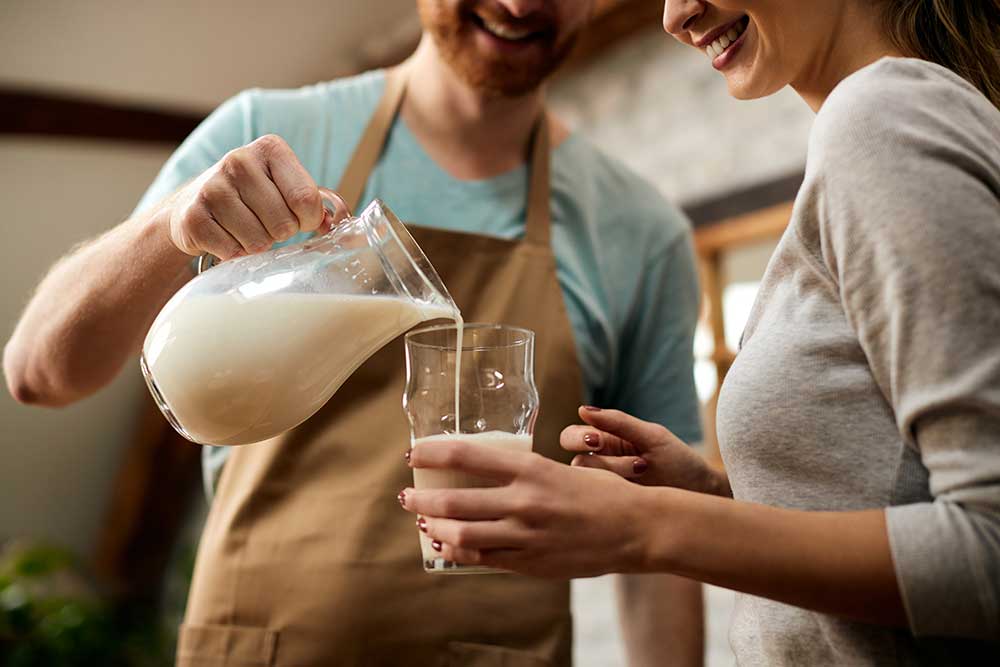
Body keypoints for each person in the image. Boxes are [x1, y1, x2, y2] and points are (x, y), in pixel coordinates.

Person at [2, 1, 708, 665]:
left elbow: (656, 534)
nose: (522, 4)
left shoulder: (640, 233)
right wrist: (168, 226)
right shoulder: (268, 141)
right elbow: (37, 373)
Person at [399, 0, 1000, 664]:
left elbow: (988, 547)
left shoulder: (883, 116)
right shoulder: (885, 124)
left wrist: (645, 527)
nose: (676, 14)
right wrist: (711, 493)